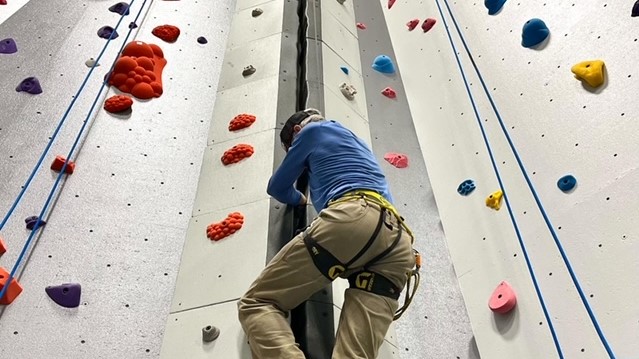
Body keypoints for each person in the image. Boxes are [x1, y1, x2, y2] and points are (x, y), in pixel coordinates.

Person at [238, 108, 419, 359]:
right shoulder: (357, 144)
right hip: (398, 243)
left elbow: (278, 187)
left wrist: (300, 199)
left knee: (258, 302)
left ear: (297, 132)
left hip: (354, 217)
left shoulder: (310, 131)